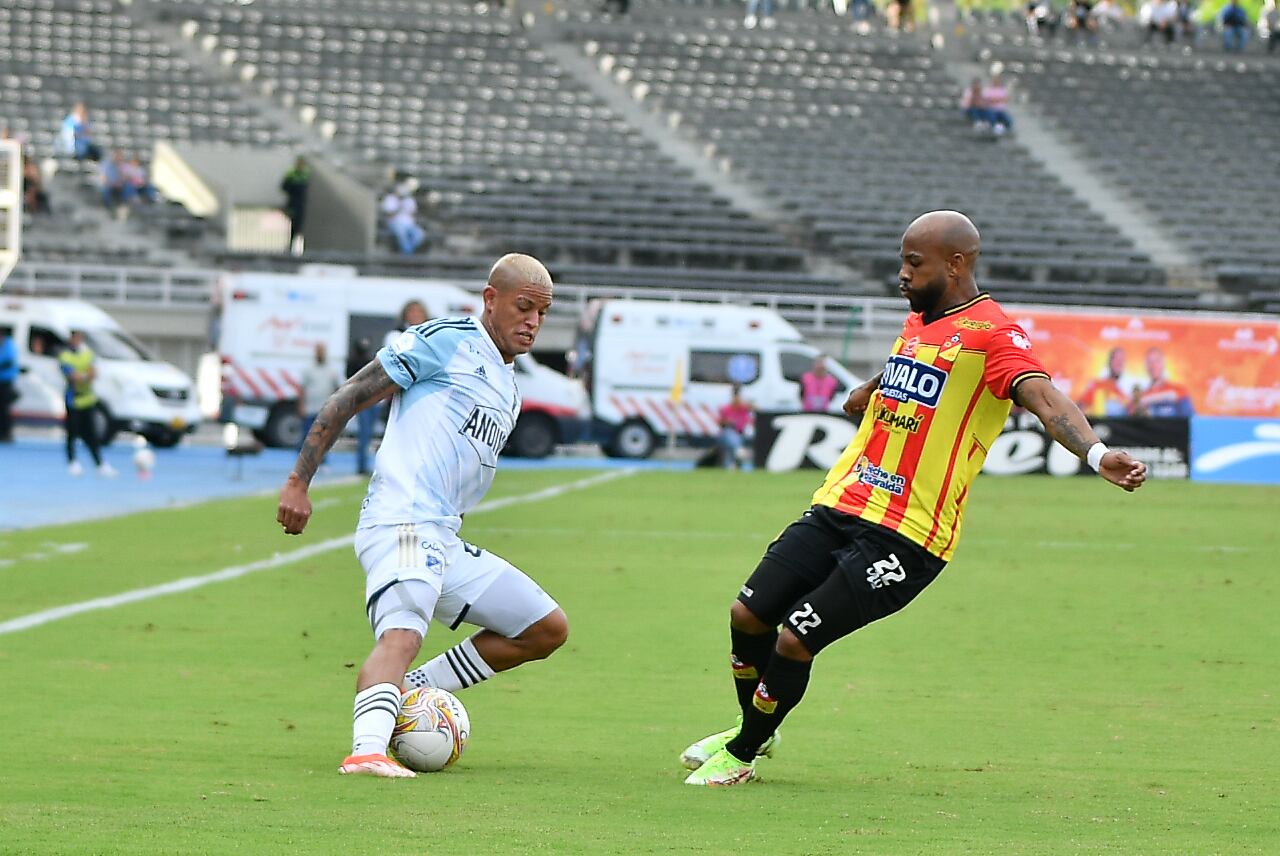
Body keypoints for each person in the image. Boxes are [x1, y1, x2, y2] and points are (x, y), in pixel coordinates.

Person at [680, 211, 1147, 787]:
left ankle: (742, 752)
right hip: (844, 502)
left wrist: (1098, 456)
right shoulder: (920, 321)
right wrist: (867, 389)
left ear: (955, 265)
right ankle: (753, 726)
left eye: (913, 262)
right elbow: (908, 363)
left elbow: (1046, 399)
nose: (901, 273)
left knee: (796, 638)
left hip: (907, 534)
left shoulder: (994, 336)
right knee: (747, 614)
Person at [276, 254, 568, 779]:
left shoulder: (508, 382)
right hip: (402, 522)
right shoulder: (445, 340)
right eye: (523, 307)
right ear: (490, 298)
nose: (532, 322)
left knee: (544, 628)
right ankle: (366, 751)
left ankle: (410, 694)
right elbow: (349, 396)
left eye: (542, 314)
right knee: (402, 634)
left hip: (442, 536)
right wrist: (299, 480)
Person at [59, 330, 116, 477]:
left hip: (87, 399)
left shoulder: (87, 354)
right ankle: (72, 462)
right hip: (73, 400)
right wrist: (84, 376)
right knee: (72, 433)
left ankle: (100, 464)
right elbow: (72, 376)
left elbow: (94, 373)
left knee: (91, 434)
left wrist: (83, 376)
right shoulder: (65, 356)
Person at [297, 342, 342, 452]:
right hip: (310, 409)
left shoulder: (332, 369)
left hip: (325, 409)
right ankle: (302, 461)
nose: (320, 354)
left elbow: (338, 388)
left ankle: (323, 461)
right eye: (319, 352)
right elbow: (302, 388)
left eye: (322, 352)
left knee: (323, 437)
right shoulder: (308, 369)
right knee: (307, 436)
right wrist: (301, 405)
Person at [1132, 347, 1193, 417]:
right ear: (1146, 366)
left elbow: (1190, 418)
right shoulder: (1143, 394)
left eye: (1157, 361)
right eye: (1150, 362)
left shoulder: (1178, 389)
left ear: (1163, 363)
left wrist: (1146, 400)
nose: (1154, 365)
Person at [346, 337, 377, 475]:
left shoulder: (365, 360)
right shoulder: (355, 362)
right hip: (364, 400)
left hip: (371, 399)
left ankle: (364, 464)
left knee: (367, 434)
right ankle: (362, 465)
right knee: (365, 434)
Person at [1074, 347, 1134, 417]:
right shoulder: (1098, 385)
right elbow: (1080, 406)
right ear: (1109, 362)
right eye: (1116, 359)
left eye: (1121, 360)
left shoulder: (1129, 388)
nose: (1119, 363)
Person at [380, 183, 426, 255]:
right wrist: (399, 207)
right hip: (395, 224)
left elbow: (413, 213)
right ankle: (407, 254)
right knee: (401, 234)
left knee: (420, 234)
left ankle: (410, 251)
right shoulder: (390, 199)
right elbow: (388, 214)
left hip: (409, 224)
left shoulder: (409, 200)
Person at [717, 385, 754, 469]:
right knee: (729, 433)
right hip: (727, 434)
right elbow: (720, 423)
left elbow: (755, 408)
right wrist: (728, 422)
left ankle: (732, 462)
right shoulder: (726, 408)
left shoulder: (744, 408)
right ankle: (738, 450)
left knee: (736, 438)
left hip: (741, 434)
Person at [280, 156, 311, 254]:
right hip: (293, 203)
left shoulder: (306, 173)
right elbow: (284, 186)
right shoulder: (291, 172)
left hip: (301, 204)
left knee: (299, 226)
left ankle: (298, 247)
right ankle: (290, 246)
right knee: (292, 225)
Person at [0, 325, 17, 443]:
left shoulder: (9, 344)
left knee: (5, 409)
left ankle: (7, 433)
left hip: (6, 381)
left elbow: (9, 361)